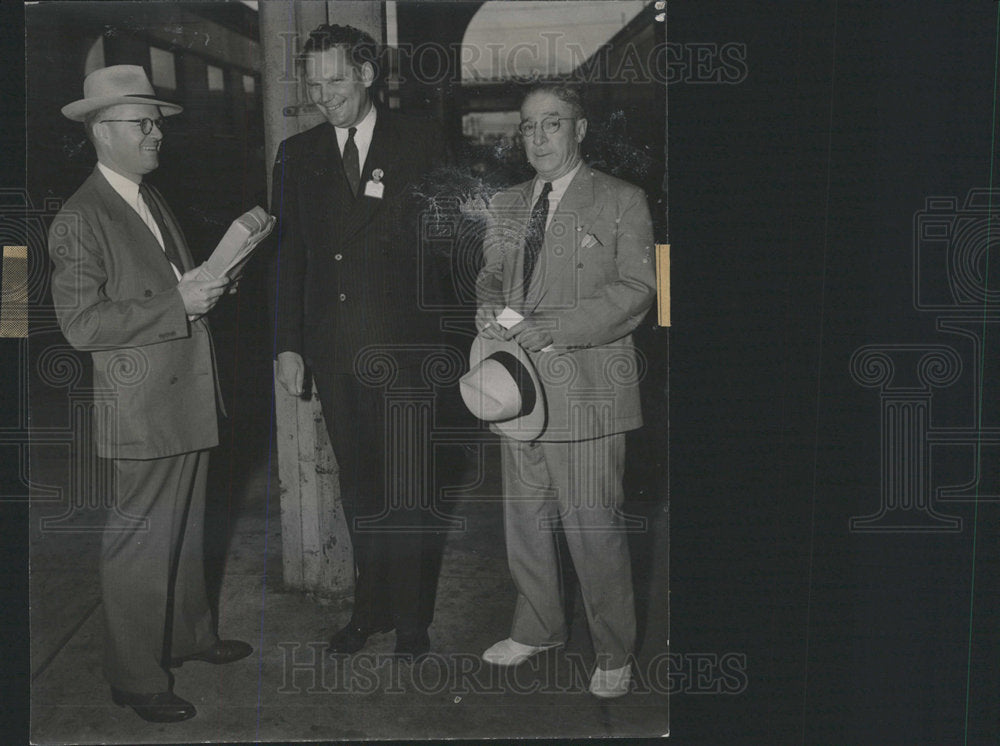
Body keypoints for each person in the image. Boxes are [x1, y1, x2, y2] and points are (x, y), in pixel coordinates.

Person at [47, 65, 252, 723]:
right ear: (103, 133)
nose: (157, 132)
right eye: (144, 122)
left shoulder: (146, 195)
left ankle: (188, 635)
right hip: (141, 403)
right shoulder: (81, 217)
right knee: (140, 538)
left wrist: (208, 286)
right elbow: (81, 326)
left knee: (186, 525)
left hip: (184, 390)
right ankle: (135, 676)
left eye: (156, 120)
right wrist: (177, 301)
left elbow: (164, 286)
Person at [270, 24, 448, 660]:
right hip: (337, 350)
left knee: (409, 489)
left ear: (369, 75)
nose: (324, 95)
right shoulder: (296, 154)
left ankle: (410, 619)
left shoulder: (421, 143)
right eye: (313, 84)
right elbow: (289, 257)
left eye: (336, 81)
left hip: (405, 352)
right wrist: (287, 344)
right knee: (359, 488)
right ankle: (367, 609)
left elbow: (450, 252)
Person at [475, 83, 657, 698]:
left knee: (592, 524)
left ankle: (613, 650)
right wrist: (486, 308)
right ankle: (538, 627)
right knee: (524, 518)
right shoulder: (505, 204)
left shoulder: (623, 200)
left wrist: (552, 327)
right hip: (516, 389)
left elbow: (639, 291)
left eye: (552, 124)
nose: (538, 138)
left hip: (587, 389)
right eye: (528, 127)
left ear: (581, 130)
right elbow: (491, 277)